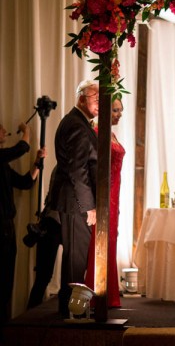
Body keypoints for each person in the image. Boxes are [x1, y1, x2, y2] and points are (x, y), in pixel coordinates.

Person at [53, 79, 99, 317]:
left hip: (74, 200)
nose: (100, 103)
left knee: (76, 257)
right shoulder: (77, 125)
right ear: (82, 98)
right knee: (75, 259)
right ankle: (72, 312)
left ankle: (69, 308)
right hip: (76, 202)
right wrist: (89, 206)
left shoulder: (79, 122)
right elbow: (77, 170)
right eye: (96, 98)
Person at [0, 122, 45, 324]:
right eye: (1, 129)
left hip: (7, 227)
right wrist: (27, 131)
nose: (4, 131)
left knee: (7, 278)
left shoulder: (3, 163)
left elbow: (25, 182)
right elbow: (21, 148)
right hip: (1, 227)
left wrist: (36, 163)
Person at [84, 98, 125, 308]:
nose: (119, 114)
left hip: (115, 195)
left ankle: (109, 294)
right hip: (104, 194)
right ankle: (95, 294)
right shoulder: (98, 132)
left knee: (111, 241)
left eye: (120, 110)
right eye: (115, 110)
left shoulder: (112, 133)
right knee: (101, 241)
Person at [26, 166, 61, 309]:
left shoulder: (60, 166)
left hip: (52, 220)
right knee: (43, 276)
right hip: (54, 222)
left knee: (43, 276)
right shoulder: (64, 167)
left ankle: (30, 314)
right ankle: (29, 315)